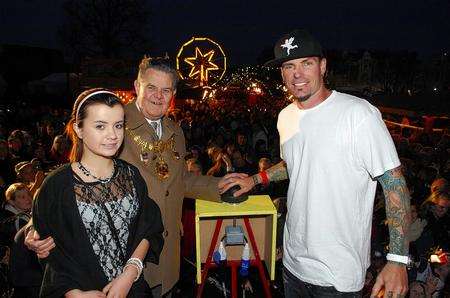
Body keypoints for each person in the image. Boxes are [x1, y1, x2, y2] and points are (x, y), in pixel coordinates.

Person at [27, 57, 246, 297]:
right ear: (136, 86)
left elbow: (178, 180)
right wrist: (33, 228)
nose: (158, 96)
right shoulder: (114, 122)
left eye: (166, 90)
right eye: (151, 87)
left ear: (173, 93)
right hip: (123, 257)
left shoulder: (176, 130)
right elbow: (75, 179)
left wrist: (216, 184)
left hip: (165, 246)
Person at [234, 29, 411, 297]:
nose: (297, 73)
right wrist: (256, 179)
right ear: (282, 73)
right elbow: (294, 163)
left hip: (337, 274)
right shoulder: (285, 116)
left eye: (307, 63)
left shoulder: (358, 114)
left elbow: (395, 185)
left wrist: (398, 260)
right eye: (289, 66)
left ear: (323, 66)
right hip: (293, 264)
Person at [31, 88, 164, 297]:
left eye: (118, 125)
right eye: (100, 126)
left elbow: (148, 228)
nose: (112, 135)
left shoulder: (131, 176)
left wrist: (130, 272)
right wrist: (75, 294)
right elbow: (52, 257)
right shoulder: (56, 186)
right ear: (79, 129)